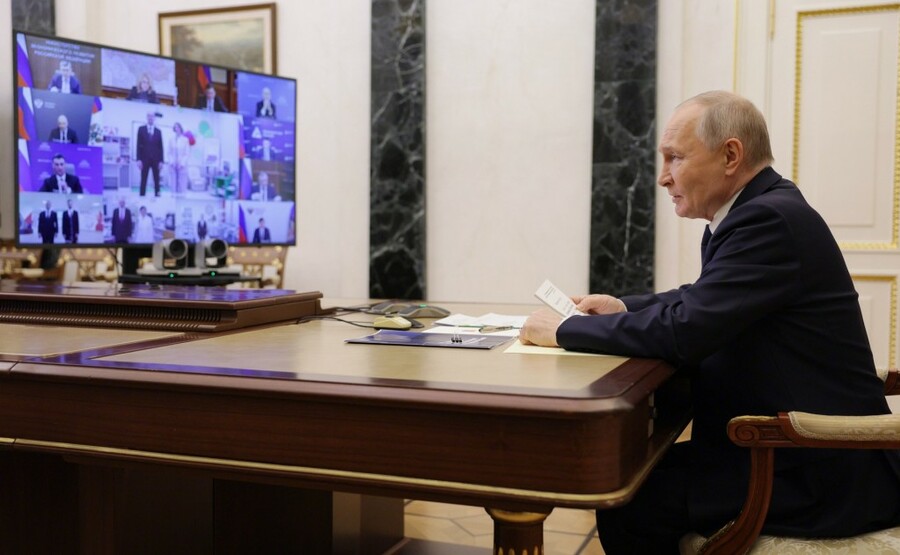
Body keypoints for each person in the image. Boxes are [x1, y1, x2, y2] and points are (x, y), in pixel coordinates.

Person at [519, 90, 900, 553]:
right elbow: (704, 299)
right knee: (627, 477)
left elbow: (686, 330)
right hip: (795, 453)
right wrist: (623, 307)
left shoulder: (767, 219)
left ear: (731, 155)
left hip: (817, 470)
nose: (663, 176)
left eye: (675, 158)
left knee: (630, 502)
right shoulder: (762, 208)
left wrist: (564, 331)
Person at [136, 111, 164, 196]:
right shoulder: (141, 129)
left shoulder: (158, 131)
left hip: (156, 160)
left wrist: (161, 161)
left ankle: (158, 196)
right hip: (144, 160)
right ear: (147, 117)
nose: (150, 118)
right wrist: (138, 159)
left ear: (154, 118)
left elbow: (161, 147)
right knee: (143, 180)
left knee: (157, 181)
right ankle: (142, 197)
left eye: (152, 116)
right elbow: (138, 145)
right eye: (149, 116)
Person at [167, 122, 191, 193]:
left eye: (177, 127)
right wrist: (172, 162)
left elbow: (186, 153)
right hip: (173, 166)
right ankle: (173, 198)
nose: (176, 129)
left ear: (180, 128)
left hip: (182, 166)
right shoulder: (171, 139)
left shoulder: (185, 140)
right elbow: (169, 152)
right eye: (175, 127)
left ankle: (182, 198)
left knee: (182, 185)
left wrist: (181, 164)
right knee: (173, 185)